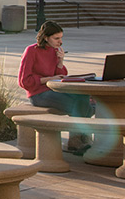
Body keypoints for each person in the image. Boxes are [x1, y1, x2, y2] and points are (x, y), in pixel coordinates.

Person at [18, 20, 93, 152]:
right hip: (39, 94)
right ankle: (77, 140)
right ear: (46, 37)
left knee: (84, 97)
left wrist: (60, 62)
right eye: (56, 38)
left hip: (54, 90)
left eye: (61, 38)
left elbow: (60, 76)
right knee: (82, 105)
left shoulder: (54, 51)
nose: (60, 42)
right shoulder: (31, 51)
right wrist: (48, 79)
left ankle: (80, 139)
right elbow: (24, 81)